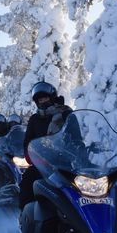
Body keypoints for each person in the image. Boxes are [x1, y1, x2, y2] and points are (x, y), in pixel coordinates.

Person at [19, 82, 72, 210]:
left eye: (45, 97)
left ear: (52, 97)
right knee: (27, 180)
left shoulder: (66, 114)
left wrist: (80, 151)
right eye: (40, 99)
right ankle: (26, 214)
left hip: (65, 162)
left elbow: (76, 136)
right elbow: (28, 140)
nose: (42, 101)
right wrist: (29, 155)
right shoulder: (35, 119)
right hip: (42, 163)